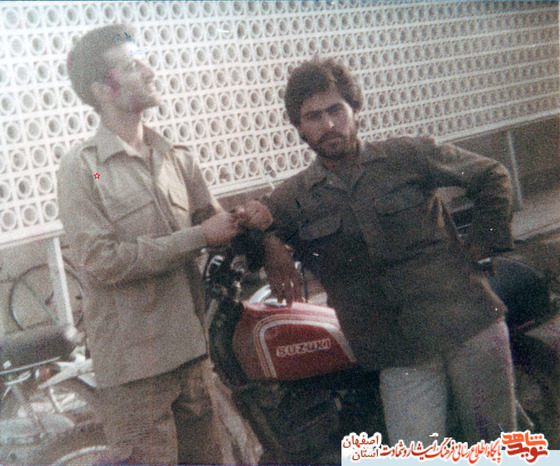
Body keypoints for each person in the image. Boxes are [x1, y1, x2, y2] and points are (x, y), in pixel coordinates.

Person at [256, 57, 517, 446]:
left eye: (335, 110)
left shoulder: (407, 155)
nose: (328, 124)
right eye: (313, 117)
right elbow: (251, 226)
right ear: (298, 127)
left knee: (496, 449)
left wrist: (482, 244)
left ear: (355, 110)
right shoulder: (293, 198)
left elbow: (492, 175)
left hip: (468, 326)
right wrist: (270, 243)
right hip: (399, 354)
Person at [57, 24, 269, 464]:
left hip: (192, 358)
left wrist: (250, 226)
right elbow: (101, 261)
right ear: (102, 89)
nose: (150, 72)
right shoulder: (86, 169)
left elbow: (212, 222)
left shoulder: (174, 156)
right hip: (136, 375)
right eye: (133, 66)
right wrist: (199, 236)